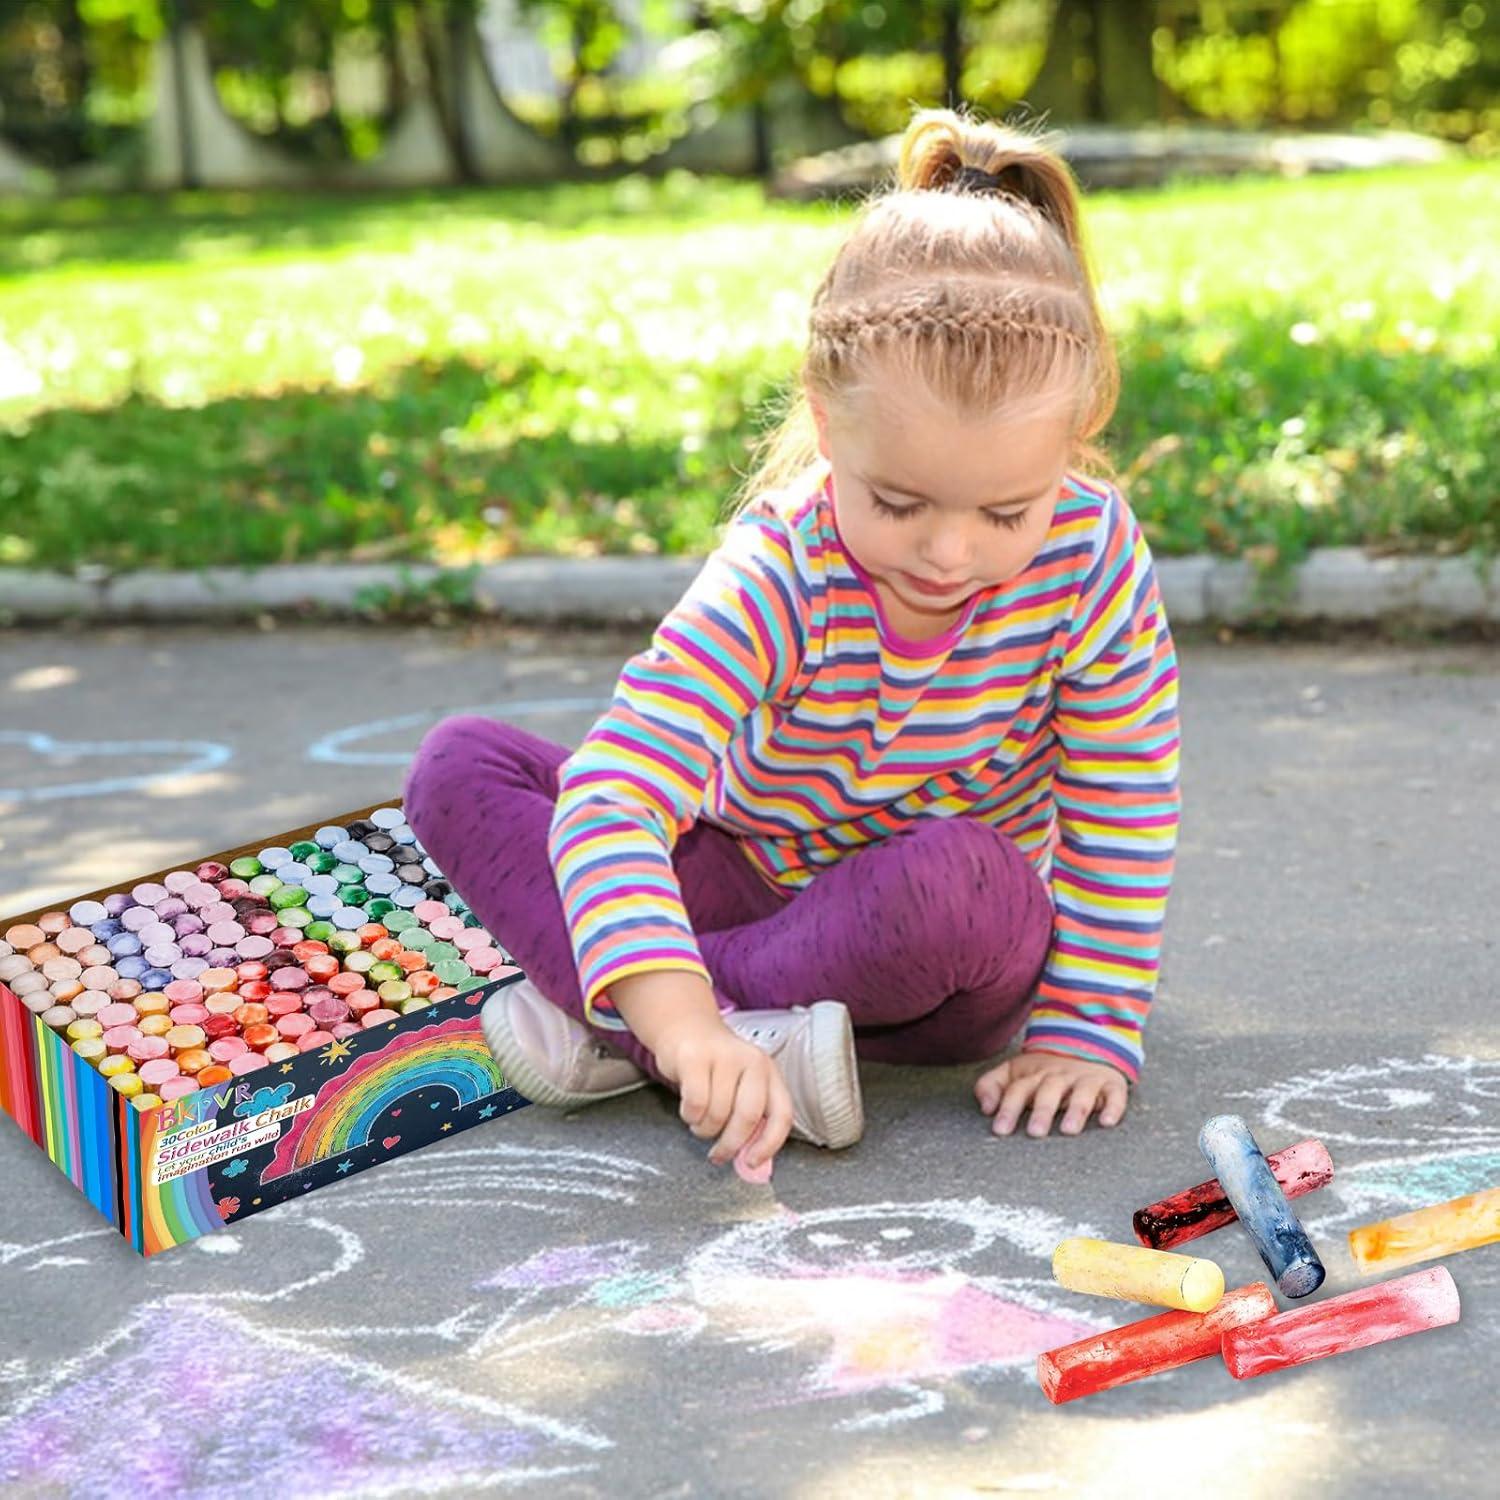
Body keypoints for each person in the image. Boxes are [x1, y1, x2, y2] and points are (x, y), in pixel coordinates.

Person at [403, 104, 1181, 1178]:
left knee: (972, 884)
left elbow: (1122, 801)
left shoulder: (1092, 557)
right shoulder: (786, 568)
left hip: (927, 957)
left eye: (1007, 514)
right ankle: (689, 1033)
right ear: (827, 427)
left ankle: (606, 1016)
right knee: (461, 762)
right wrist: (685, 1025)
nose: (950, 554)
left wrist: (1085, 1030)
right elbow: (621, 793)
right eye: (901, 503)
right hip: (742, 875)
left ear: (1073, 446)